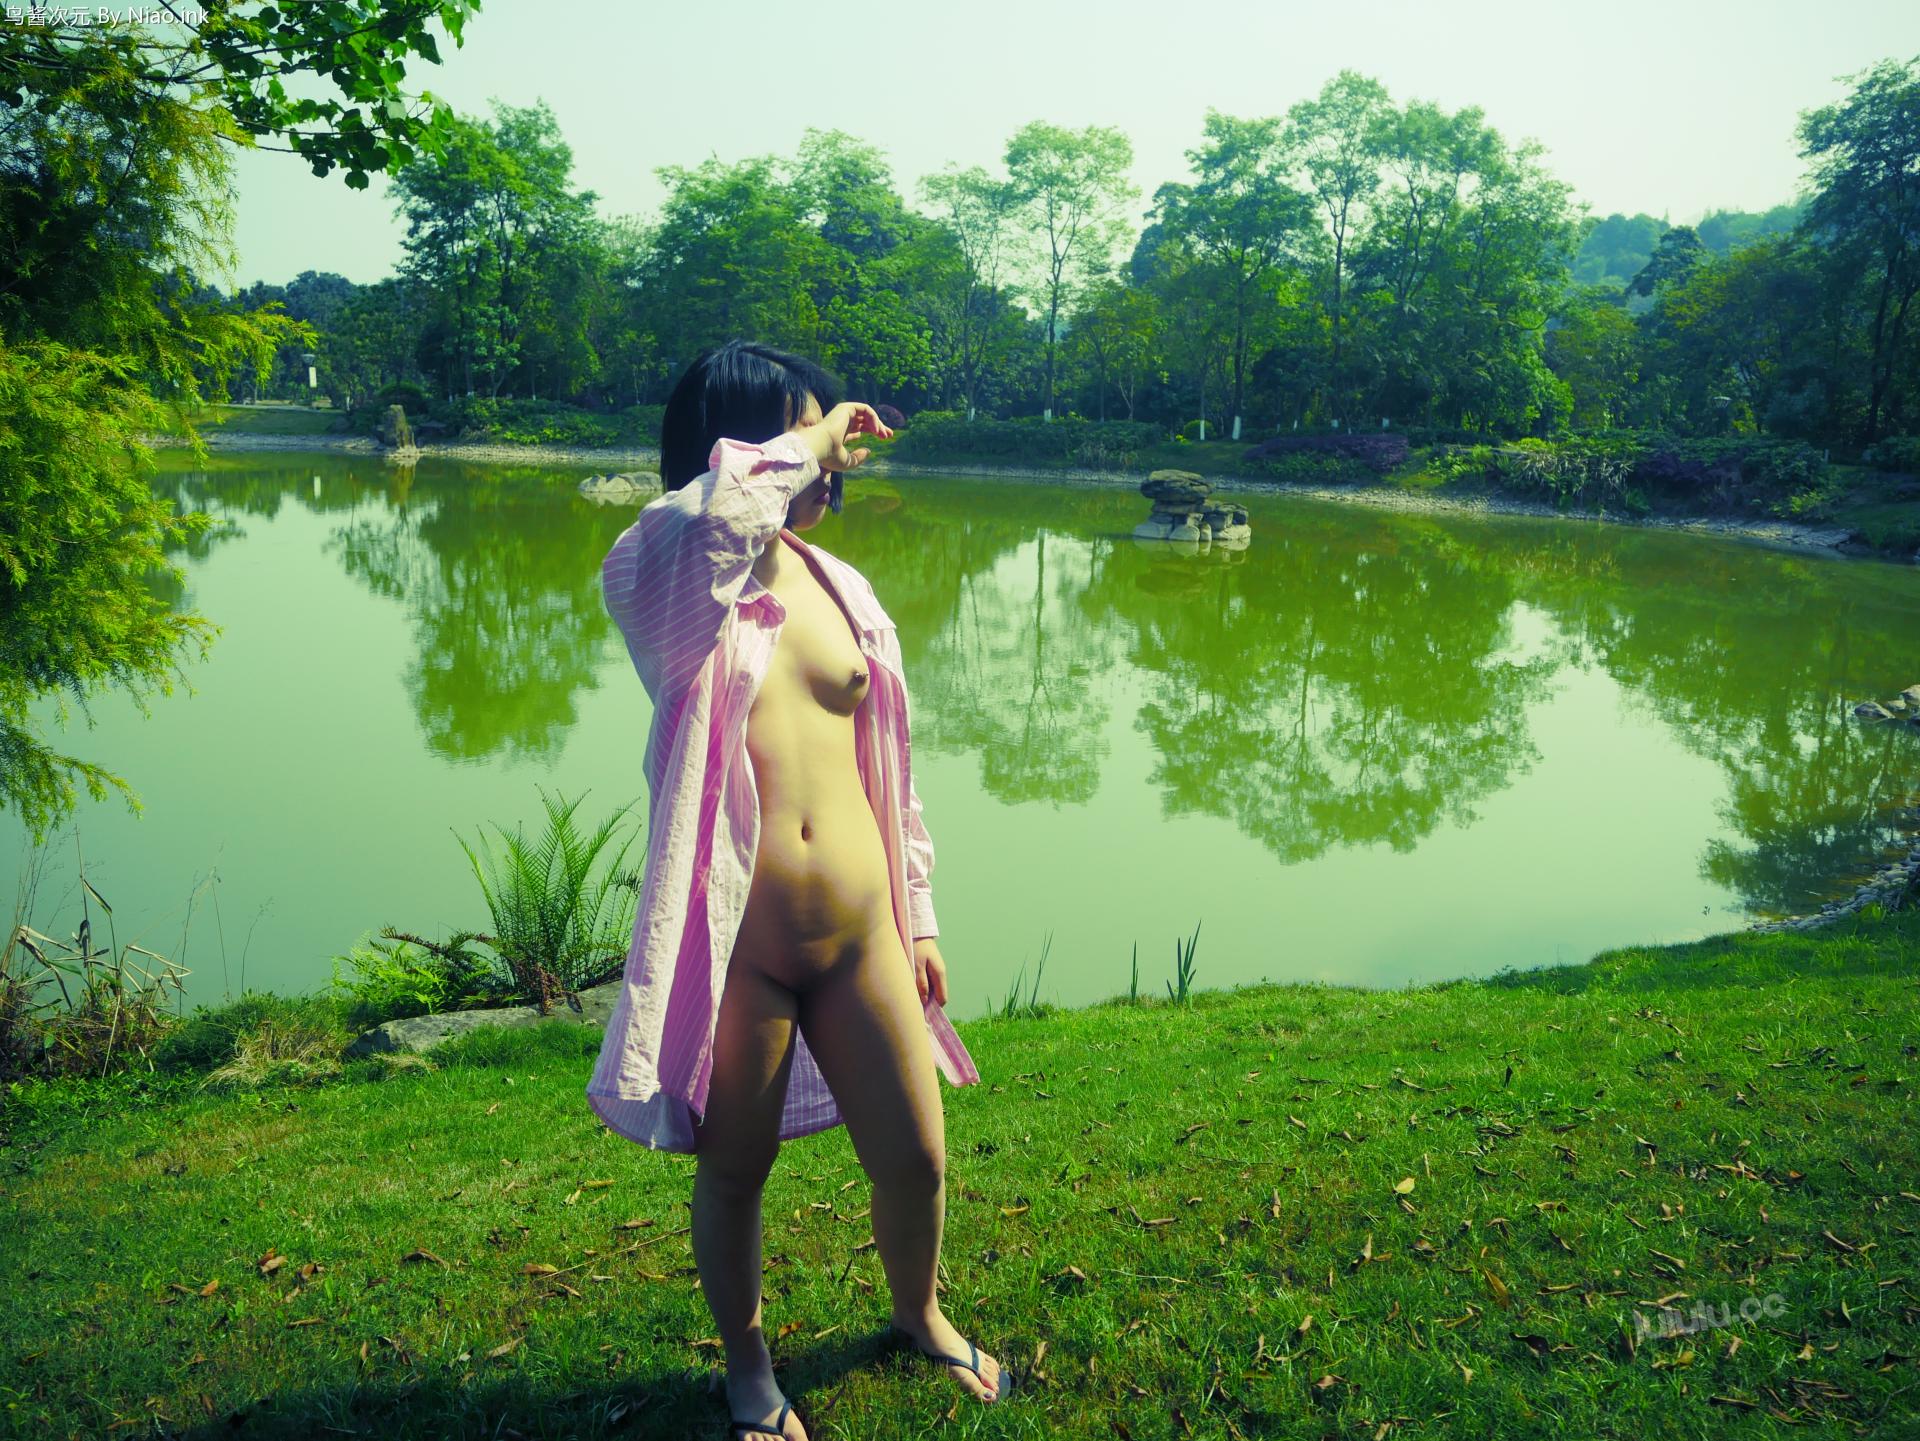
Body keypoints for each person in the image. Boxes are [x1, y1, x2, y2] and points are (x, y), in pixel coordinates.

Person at [586, 339, 1006, 1440]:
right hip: (746, 949)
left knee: (917, 1156)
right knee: (737, 1170)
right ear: (732, 449)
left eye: (820, 433)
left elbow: (892, 775)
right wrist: (810, 440)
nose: (826, 458)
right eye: (797, 431)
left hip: (862, 933)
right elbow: (715, 515)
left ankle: (919, 1312)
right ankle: (749, 1368)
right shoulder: (667, 574)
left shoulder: (843, 587)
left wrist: (920, 918)